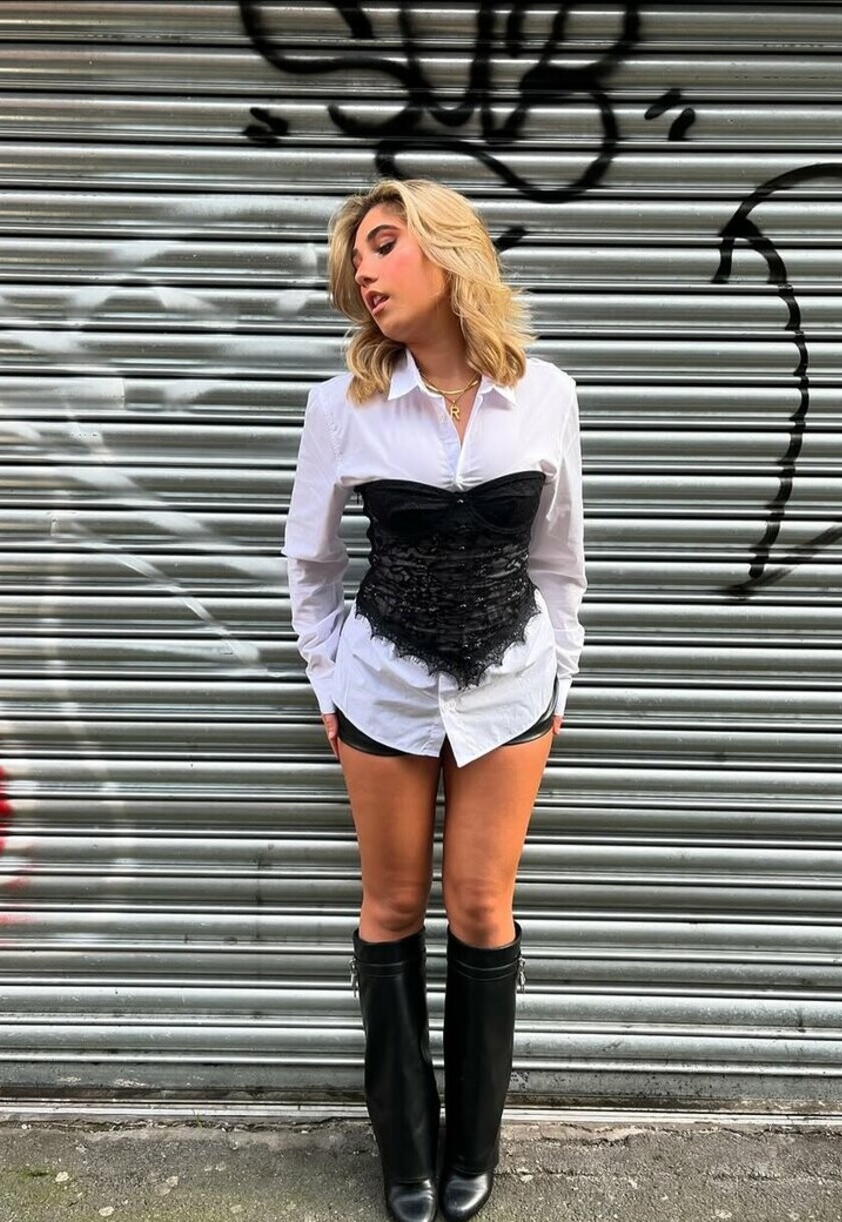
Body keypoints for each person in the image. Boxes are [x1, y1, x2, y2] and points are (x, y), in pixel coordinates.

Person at [283, 178, 585, 1222]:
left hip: (511, 688)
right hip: (383, 688)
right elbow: (311, 564)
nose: (362, 272)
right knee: (392, 907)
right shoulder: (343, 406)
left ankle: (474, 1147)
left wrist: (560, 673)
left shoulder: (545, 395)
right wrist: (329, 678)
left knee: (482, 908)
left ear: (448, 253)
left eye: (383, 245)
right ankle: (406, 1148)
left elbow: (560, 560)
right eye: (354, 258)